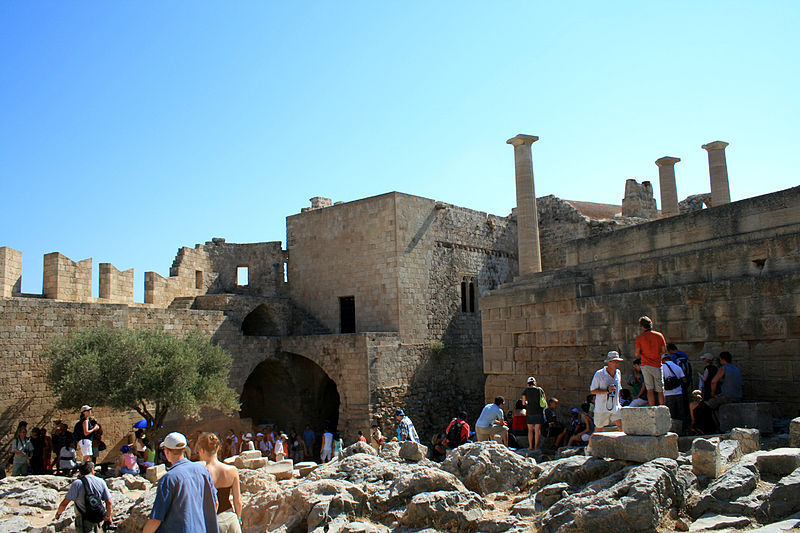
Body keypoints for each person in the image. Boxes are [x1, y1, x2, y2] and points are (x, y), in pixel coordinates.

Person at [142, 432, 218, 533]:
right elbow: (215, 503)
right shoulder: (202, 470)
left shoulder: (169, 479)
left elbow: (156, 519)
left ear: (167, 452)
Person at [197, 432, 242, 533]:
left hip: (214, 521)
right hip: (231, 518)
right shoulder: (232, 470)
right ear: (217, 448)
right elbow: (238, 500)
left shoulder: (201, 473)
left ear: (202, 450)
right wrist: (238, 519)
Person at [55, 461, 113, 532]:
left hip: (82, 518)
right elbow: (109, 502)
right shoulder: (101, 481)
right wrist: (108, 517)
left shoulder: (77, 483)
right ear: (92, 469)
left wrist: (58, 514)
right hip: (97, 517)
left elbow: (64, 503)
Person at [634, 316, 667, 406]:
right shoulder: (659, 335)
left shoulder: (640, 338)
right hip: (657, 364)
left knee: (649, 389)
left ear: (642, 326)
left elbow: (636, 354)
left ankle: (652, 407)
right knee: (660, 389)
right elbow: (664, 350)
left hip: (646, 364)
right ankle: (662, 407)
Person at [589, 351, 624, 431]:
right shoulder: (599, 374)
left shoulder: (618, 373)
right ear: (609, 362)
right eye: (614, 362)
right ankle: (591, 444)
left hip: (615, 406)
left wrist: (619, 404)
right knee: (598, 429)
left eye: (617, 362)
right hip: (602, 407)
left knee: (621, 425)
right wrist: (606, 391)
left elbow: (619, 390)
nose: (616, 364)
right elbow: (593, 391)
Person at [661, 352, 686, 426]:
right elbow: (684, 379)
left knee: (671, 414)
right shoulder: (677, 367)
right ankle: (683, 428)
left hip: (668, 394)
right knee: (681, 412)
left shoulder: (662, 367)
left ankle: (673, 429)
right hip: (679, 392)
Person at [521, 377, 546, 450]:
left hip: (530, 412)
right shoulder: (540, 389)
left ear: (528, 383)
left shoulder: (525, 391)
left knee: (530, 430)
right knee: (537, 430)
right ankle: (536, 446)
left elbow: (523, 402)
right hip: (538, 411)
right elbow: (544, 400)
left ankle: (530, 446)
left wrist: (527, 402)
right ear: (535, 382)